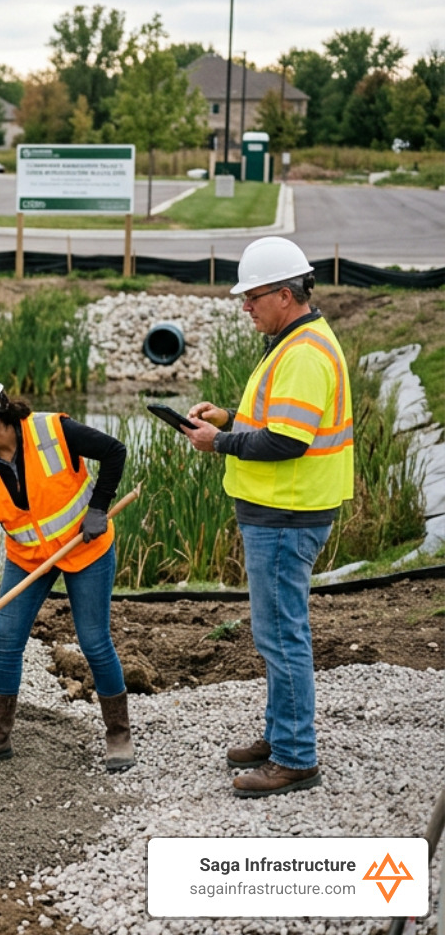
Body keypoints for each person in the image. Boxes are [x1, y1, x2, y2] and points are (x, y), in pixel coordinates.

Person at [181, 237, 353, 799]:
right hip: (282, 510)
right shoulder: (294, 342)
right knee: (276, 633)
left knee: (281, 636)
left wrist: (219, 441)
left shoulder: (303, 352)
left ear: (285, 294)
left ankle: (296, 757)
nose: (245, 306)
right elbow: (276, 420)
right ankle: (281, 737)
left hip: (288, 512)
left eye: (252, 297)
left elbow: (286, 441)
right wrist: (228, 417)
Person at [0, 367, 133, 773]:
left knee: (94, 641)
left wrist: (99, 508)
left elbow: (115, 452)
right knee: (7, 640)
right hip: (29, 557)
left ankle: (118, 733)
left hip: (85, 550)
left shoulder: (53, 431)